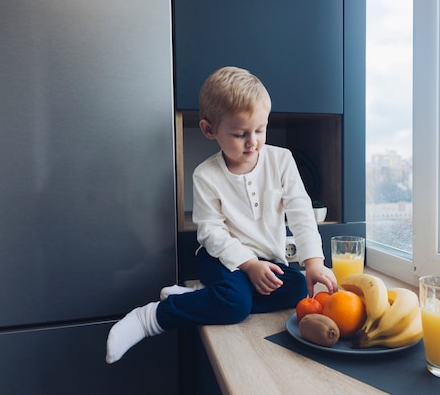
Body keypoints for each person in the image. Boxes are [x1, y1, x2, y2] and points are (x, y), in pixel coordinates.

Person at [106, 66, 337, 363]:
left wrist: (314, 263)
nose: (253, 142)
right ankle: (152, 317)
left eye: (260, 130)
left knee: (297, 290)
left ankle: (202, 297)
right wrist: (249, 265)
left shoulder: (282, 160)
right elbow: (211, 232)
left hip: (268, 261)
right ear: (209, 130)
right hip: (223, 259)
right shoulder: (206, 175)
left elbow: (301, 213)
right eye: (240, 134)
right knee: (235, 306)